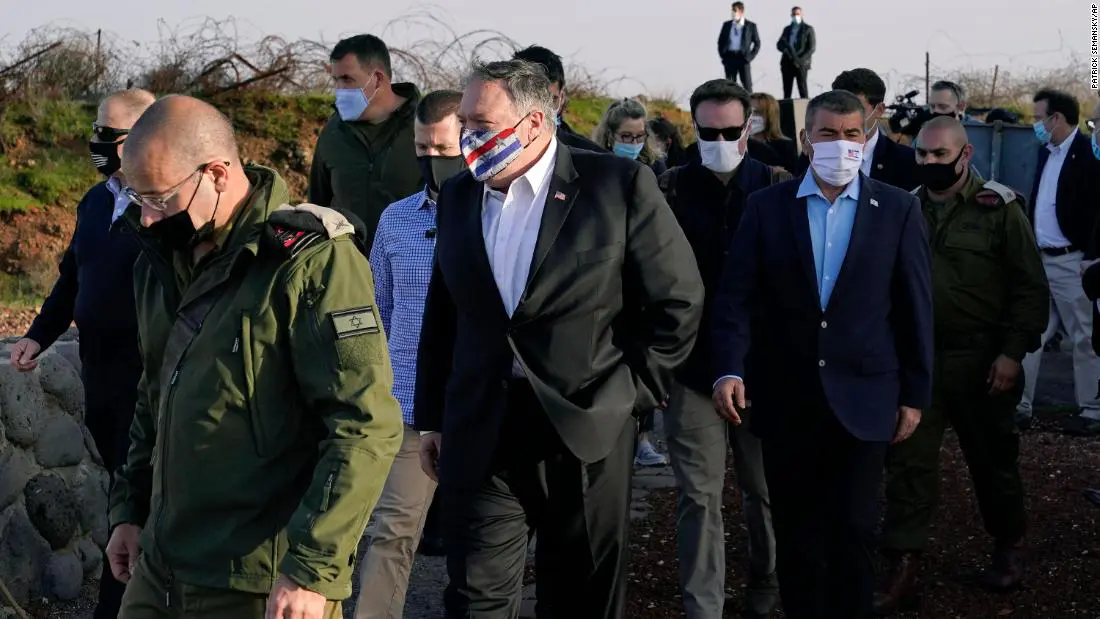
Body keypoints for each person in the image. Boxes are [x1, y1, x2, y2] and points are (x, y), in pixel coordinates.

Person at [413, 59, 704, 618]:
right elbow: (444, 312)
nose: (465, 135)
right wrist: (432, 417)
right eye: (463, 122)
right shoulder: (458, 195)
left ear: (532, 124)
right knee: (474, 599)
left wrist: (631, 395)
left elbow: (678, 300)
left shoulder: (616, 186)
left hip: (586, 428)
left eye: (480, 123)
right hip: (483, 430)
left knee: (580, 599)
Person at [105, 95, 403, 619]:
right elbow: (155, 393)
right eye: (135, 197)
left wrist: (311, 569)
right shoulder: (157, 262)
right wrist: (129, 509)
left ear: (217, 174)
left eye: (159, 198)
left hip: (259, 582)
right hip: (161, 566)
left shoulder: (310, 264)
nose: (146, 218)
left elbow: (364, 426)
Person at [710, 90, 933, 618]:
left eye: (852, 133)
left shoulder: (897, 208)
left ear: (866, 137)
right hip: (788, 397)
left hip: (867, 395)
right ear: (806, 140)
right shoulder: (767, 207)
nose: (841, 144)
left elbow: (915, 307)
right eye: (828, 133)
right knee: (797, 535)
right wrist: (728, 369)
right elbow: (736, 298)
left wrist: (916, 392)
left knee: (854, 529)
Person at [875, 117, 1049, 614]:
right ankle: (903, 566)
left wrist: (1012, 353)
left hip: (982, 361)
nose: (929, 162)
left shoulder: (1000, 209)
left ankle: (1009, 547)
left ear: (965, 154)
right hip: (920, 361)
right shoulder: (906, 207)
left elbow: (1029, 288)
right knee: (908, 464)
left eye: (939, 155)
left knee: (993, 461)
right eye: (922, 154)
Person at [9, 88, 155, 619]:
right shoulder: (96, 201)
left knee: (144, 494)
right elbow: (73, 276)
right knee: (122, 487)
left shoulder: (164, 207)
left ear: (142, 137)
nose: (96, 142)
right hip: (101, 373)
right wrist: (38, 334)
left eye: (107, 135)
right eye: (96, 130)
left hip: (149, 376)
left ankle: (123, 605)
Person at [658, 79, 790, 619]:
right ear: (693, 128)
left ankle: (767, 577)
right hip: (690, 366)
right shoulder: (668, 188)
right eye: (708, 132)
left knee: (764, 490)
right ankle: (703, 607)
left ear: (748, 127)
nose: (719, 141)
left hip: (763, 366)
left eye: (730, 131)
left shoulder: (777, 185)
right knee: (698, 496)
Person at [353, 90, 466, 619]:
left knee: (482, 540)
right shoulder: (396, 220)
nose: (432, 160)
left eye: (443, 149)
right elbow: (377, 310)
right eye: (423, 149)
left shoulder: (498, 216)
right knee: (392, 530)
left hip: (478, 400)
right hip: (408, 406)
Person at [1018, 88, 1100, 436]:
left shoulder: (1088, 154)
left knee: (1085, 336)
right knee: (1031, 333)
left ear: (1056, 118)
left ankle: (1092, 410)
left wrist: (1091, 256)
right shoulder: (1045, 153)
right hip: (1041, 259)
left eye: (1039, 118)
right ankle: (1019, 405)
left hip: (1072, 261)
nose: (1035, 124)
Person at [308, 34, 422, 250]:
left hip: (408, 263)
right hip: (347, 264)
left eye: (347, 79)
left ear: (377, 79)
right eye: (336, 80)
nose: (339, 89)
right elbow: (317, 206)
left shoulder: (425, 129)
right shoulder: (333, 132)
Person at [796, 68, 921, 191]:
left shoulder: (907, 162)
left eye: (856, 110)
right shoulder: (815, 153)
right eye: (838, 109)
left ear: (879, 110)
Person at [513, 44, 609, 153]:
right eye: (533, 100)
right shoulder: (497, 147)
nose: (541, 113)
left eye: (551, 101)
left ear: (561, 97)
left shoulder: (591, 156)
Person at [593, 98, 668, 176]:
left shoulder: (655, 166)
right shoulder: (596, 165)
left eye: (640, 135)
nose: (634, 143)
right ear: (610, 135)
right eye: (627, 136)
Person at [749, 92, 799, 171]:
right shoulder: (737, 144)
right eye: (748, 111)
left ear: (770, 115)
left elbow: (794, 175)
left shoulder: (785, 146)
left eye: (757, 112)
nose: (751, 116)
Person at [717, 2, 761, 90]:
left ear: (741, 11)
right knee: (729, 86)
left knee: (747, 85)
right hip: (730, 57)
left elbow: (757, 43)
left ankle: (749, 99)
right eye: (732, 10)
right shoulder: (727, 25)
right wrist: (723, 56)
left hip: (743, 58)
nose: (732, 12)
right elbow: (720, 41)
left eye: (735, 10)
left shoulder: (751, 26)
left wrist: (750, 57)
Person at [776, 6, 815, 99]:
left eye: (797, 14)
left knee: (802, 89)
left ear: (801, 15)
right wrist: (786, 50)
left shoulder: (808, 29)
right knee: (787, 91)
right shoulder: (787, 29)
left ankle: (806, 106)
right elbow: (779, 44)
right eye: (794, 14)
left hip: (801, 64)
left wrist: (800, 60)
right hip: (787, 62)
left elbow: (811, 48)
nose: (795, 16)